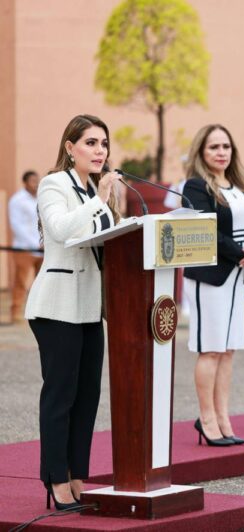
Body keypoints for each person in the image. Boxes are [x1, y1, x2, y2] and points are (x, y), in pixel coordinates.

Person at [25, 114, 120, 509]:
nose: (100, 151)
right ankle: (55, 479)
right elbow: (62, 230)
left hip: (88, 307)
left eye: (103, 144)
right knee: (60, 396)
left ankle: (78, 476)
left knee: (87, 397)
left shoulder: (90, 189)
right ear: (69, 148)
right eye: (91, 143)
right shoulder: (54, 184)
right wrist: (101, 200)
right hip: (56, 306)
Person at [182, 124, 244, 446]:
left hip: (236, 276)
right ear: (202, 151)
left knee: (228, 351)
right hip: (210, 276)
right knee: (211, 349)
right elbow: (205, 232)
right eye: (214, 147)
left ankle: (224, 417)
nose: (221, 153)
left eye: (226, 147)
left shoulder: (239, 186)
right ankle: (207, 419)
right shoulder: (196, 186)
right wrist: (243, 254)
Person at [8, 170, 43, 323]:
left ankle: (41, 313)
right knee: (21, 281)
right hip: (24, 247)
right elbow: (16, 226)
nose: (36, 184)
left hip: (43, 248)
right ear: (25, 182)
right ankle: (15, 313)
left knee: (42, 282)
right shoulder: (17, 200)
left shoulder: (41, 198)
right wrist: (35, 244)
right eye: (33, 181)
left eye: (37, 180)